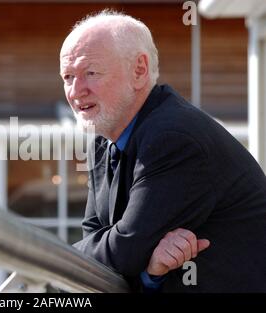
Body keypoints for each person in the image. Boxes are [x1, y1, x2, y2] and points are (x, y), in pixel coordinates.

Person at [60, 10, 266, 292]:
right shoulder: (105, 139)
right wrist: (149, 269)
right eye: (68, 76)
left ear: (139, 70)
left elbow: (125, 248)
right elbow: (101, 243)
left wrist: (134, 258)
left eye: (90, 73)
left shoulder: (173, 137)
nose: (75, 91)